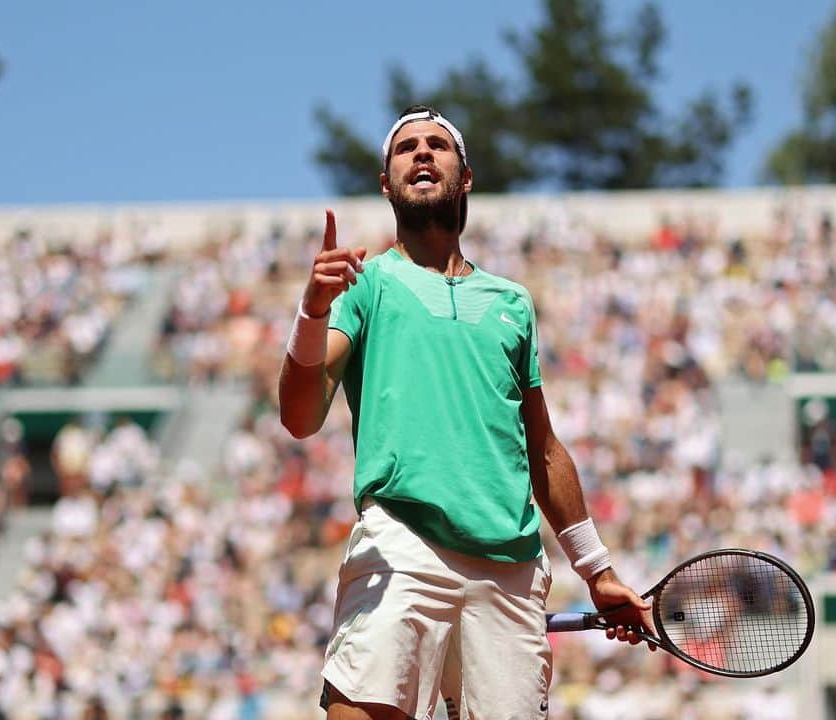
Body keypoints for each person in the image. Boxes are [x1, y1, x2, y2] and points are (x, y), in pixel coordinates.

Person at [278, 105, 653, 720]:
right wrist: (313, 312)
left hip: (510, 570)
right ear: (386, 183)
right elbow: (299, 414)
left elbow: (544, 450)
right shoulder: (366, 284)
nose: (421, 153)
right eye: (405, 148)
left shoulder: (512, 302)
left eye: (436, 145)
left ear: (466, 175)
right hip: (402, 545)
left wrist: (596, 569)